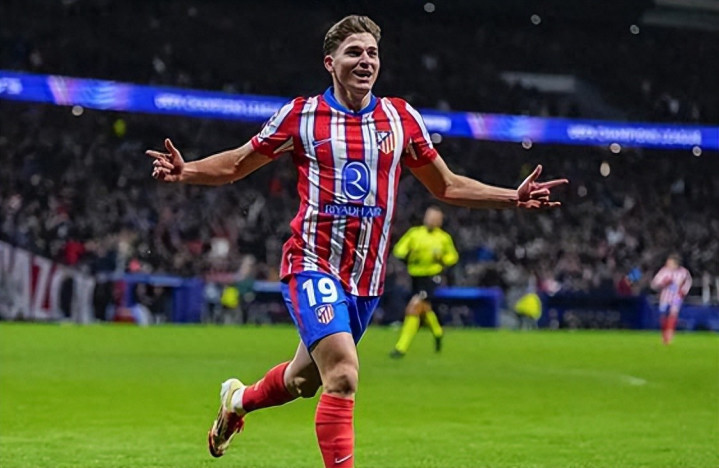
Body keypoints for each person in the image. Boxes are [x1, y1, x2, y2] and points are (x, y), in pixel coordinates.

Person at [146, 15, 567, 468]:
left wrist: (512, 197)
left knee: (304, 381)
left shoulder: (400, 119)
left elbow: (445, 185)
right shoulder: (302, 115)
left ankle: (237, 401)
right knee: (344, 374)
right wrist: (187, 171)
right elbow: (237, 163)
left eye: (372, 53)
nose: (365, 60)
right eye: (354, 52)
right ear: (330, 63)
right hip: (311, 263)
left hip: (365, 282)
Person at [390, 206, 458, 358]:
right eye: (429, 217)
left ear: (440, 221)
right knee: (424, 308)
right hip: (415, 276)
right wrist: (409, 253)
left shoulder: (443, 238)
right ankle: (438, 332)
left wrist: (442, 258)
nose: (431, 220)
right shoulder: (414, 233)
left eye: (435, 218)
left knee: (413, 308)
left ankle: (401, 348)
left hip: (432, 276)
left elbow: (452, 257)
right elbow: (399, 250)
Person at [650, 254, 692, 345]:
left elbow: (688, 283)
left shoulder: (684, 272)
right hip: (665, 297)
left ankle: (670, 333)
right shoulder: (664, 271)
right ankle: (664, 334)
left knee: (673, 313)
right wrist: (663, 283)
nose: (668, 264)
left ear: (676, 263)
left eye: (670, 262)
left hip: (677, 297)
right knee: (663, 314)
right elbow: (654, 284)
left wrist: (683, 291)